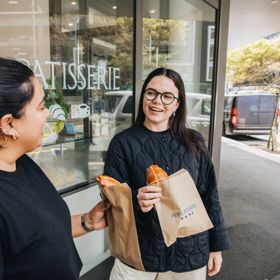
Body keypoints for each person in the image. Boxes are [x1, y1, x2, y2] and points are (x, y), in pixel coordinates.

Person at [104, 67, 230, 280]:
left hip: (189, 251)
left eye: (167, 96)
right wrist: (136, 199)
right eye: (151, 93)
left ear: (177, 104)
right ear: (144, 96)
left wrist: (216, 245)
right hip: (139, 253)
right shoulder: (122, 143)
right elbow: (109, 197)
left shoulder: (194, 142)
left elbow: (209, 194)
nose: (157, 101)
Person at [0, 57, 110, 280]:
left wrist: (87, 221)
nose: (48, 113)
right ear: (9, 124)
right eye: (41, 106)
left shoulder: (22, 162)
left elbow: (38, 234)